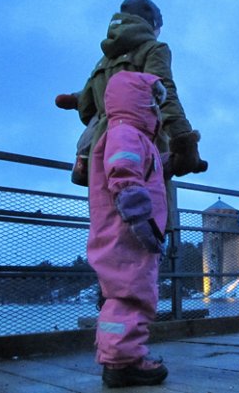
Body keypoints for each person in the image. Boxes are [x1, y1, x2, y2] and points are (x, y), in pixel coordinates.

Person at [55, 0, 207, 189]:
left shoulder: (104, 60)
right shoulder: (154, 49)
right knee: (150, 210)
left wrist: (77, 100)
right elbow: (162, 91)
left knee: (108, 213)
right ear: (151, 23)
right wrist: (183, 140)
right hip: (142, 143)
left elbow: (87, 105)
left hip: (102, 149)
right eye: (158, 26)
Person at [88, 70, 168, 387]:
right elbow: (124, 172)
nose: (156, 110)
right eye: (153, 103)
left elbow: (138, 168)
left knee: (124, 293)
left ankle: (121, 358)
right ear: (139, 102)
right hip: (130, 231)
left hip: (123, 229)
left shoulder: (127, 134)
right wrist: (140, 220)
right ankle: (123, 364)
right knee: (130, 294)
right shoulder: (126, 134)